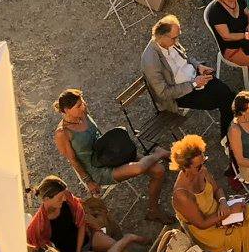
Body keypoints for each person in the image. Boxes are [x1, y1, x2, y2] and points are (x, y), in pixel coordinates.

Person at [54, 87, 171, 224]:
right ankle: (159, 153)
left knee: (159, 171)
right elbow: (73, 160)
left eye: (83, 102)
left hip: (110, 153)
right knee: (139, 168)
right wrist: (88, 181)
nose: (84, 106)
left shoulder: (83, 113)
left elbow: (98, 134)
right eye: (78, 106)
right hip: (96, 169)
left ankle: (153, 211)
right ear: (67, 110)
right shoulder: (62, 133)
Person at [26, 176, 143, 252]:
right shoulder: (37, 226)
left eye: (64, 195)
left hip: (87, 237)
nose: (64, 199)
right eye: (59, 197)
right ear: (46, 199)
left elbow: (81, 224)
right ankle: (128, 238)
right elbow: (30, 247)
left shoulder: (66, 197)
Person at [142, 15, 233, 116]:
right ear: (162, 36)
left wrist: (198, 66)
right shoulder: (151, 61)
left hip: (196, 78)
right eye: (174, 38)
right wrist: (193, 84)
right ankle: (233, 128)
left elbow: (185, 57)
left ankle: (232, 127)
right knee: (222, 100)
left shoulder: (169, 41)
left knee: (226, 92)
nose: (177, 40)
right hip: (182, 93)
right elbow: (163, 93)